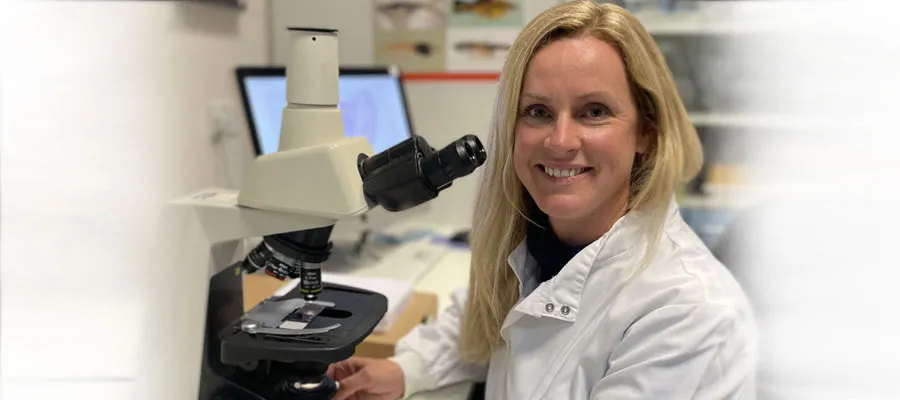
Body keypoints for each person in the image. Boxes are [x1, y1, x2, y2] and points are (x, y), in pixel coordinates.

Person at [327, 1, 758, 399]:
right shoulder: (535, 242)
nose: (560, 141)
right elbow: (483, 315)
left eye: (594, 111)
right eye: (538, 112)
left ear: (646, 130)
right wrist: (407, 369)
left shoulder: (688, 313)